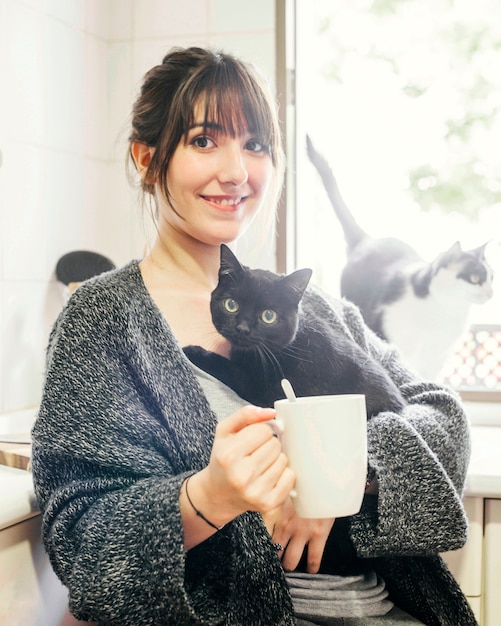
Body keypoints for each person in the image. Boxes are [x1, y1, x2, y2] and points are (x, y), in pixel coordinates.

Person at [31, 46, 477, 626]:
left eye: (256, 144)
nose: (237, 171)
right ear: (147, 158)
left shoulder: (303, 304)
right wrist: (206, 497)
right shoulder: (103, 321)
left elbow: (441, 415)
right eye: (203, 140)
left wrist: (339, 472)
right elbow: (81, 541)